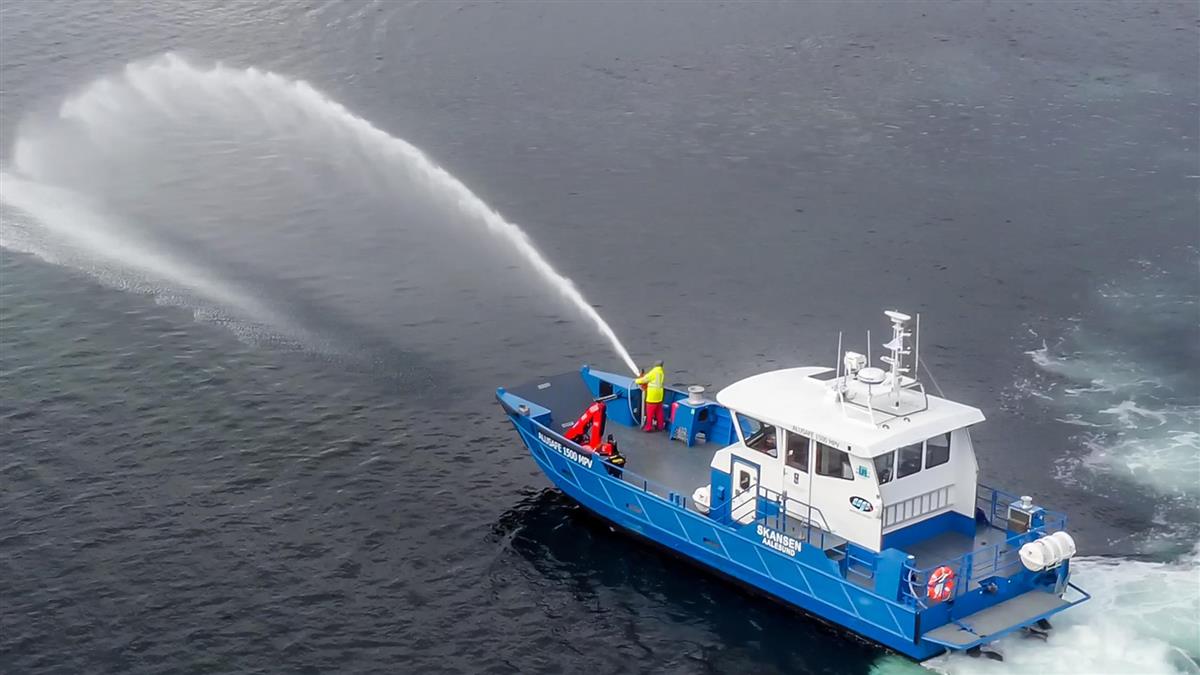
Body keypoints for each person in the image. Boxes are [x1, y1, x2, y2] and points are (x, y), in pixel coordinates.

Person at [635, 359, 666, 432]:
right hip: (659, 395)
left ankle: (648, 427)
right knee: (659, 413)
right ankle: (660, 426)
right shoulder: (661, 372)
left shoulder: (653, 372)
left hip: (652, 397)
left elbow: (644, 379)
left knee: (650, 414)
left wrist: (636, 380)